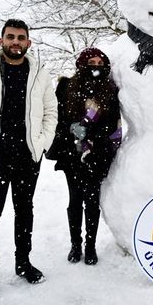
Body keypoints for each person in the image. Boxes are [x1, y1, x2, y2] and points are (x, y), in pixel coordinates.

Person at [0, 19, 57, 298]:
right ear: (1, 40)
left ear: (28, 43)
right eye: (11, 37)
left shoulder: (40, 73)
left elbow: (51, 112)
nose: (16, 41)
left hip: (27, 157)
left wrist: (41, 144)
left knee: (24, 211)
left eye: (21, 38)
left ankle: (23, 262)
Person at [46, 48, 121, 266]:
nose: (96, 65)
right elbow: (57, 118)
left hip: (98, 154)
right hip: (71, 154)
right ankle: (75, 245)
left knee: (92, 201)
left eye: (100, 62)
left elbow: (113, 123)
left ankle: (90, 246)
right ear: (82, 64)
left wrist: (92, 137)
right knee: (75, 200)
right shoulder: (67, 87)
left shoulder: (109, 90)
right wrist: (72, 130)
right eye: (92, 61)